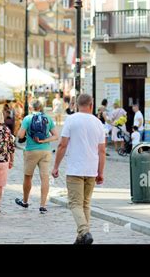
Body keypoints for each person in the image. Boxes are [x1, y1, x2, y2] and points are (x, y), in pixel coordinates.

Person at [52, 94, 106, 244]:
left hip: (75, 169)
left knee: (75, 203)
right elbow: (102, 150)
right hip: (91, 169)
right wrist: (100, 172)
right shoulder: (98, 123)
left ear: (76, 105)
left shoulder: (71, 120)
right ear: (91, 104)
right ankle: (81, 237)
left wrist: (56, 166)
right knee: (85, 203)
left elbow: (62, 145)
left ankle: (84, 231)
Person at [15, 99, 59, 213]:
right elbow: (56, 136)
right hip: (45, 151)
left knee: (28, 176)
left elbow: (20, 135)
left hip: (31, 151)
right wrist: (44, 140)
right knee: (45, 177)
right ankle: (43, 205)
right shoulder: (48, 118)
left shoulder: (28, 118)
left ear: (30, 108)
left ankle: (25, 201)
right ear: (41, 107)